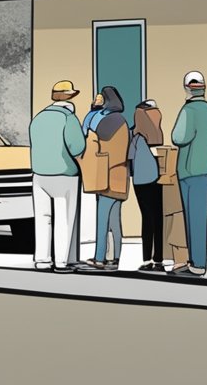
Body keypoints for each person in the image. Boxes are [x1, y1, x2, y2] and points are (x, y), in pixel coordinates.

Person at [29, 80, 86, 273]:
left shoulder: (38, 118)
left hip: (39, 174)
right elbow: (77, 146)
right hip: (64, 173)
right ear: (70, 99)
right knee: (64, 218)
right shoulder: (68, 118)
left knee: (43, 218)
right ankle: (62, 262)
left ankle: (42, 259)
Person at [170, 71, 207, 276]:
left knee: (193, 218)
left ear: (187, 89)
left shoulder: (189, 111)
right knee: (200, 218)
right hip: (204, 169)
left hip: (188, 171)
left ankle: (197, 264)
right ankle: (195, 261)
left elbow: (178, 137)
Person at [82, 86, 131, 271]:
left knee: (102, 220)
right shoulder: (122, 121)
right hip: (121, 176)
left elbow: (89, 131)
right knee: (114, 221)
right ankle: (115, 259)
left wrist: (93, 110)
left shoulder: (109, 120)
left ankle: (100, 258)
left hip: (107, 176)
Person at [129, 99, 165, 272]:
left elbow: (129, 158)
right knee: (158, 218)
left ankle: (146, 259)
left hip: (141, 181)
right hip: (157, 179)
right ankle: (158, 258)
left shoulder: (136, 136)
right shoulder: (157, 133)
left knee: (147, 219)